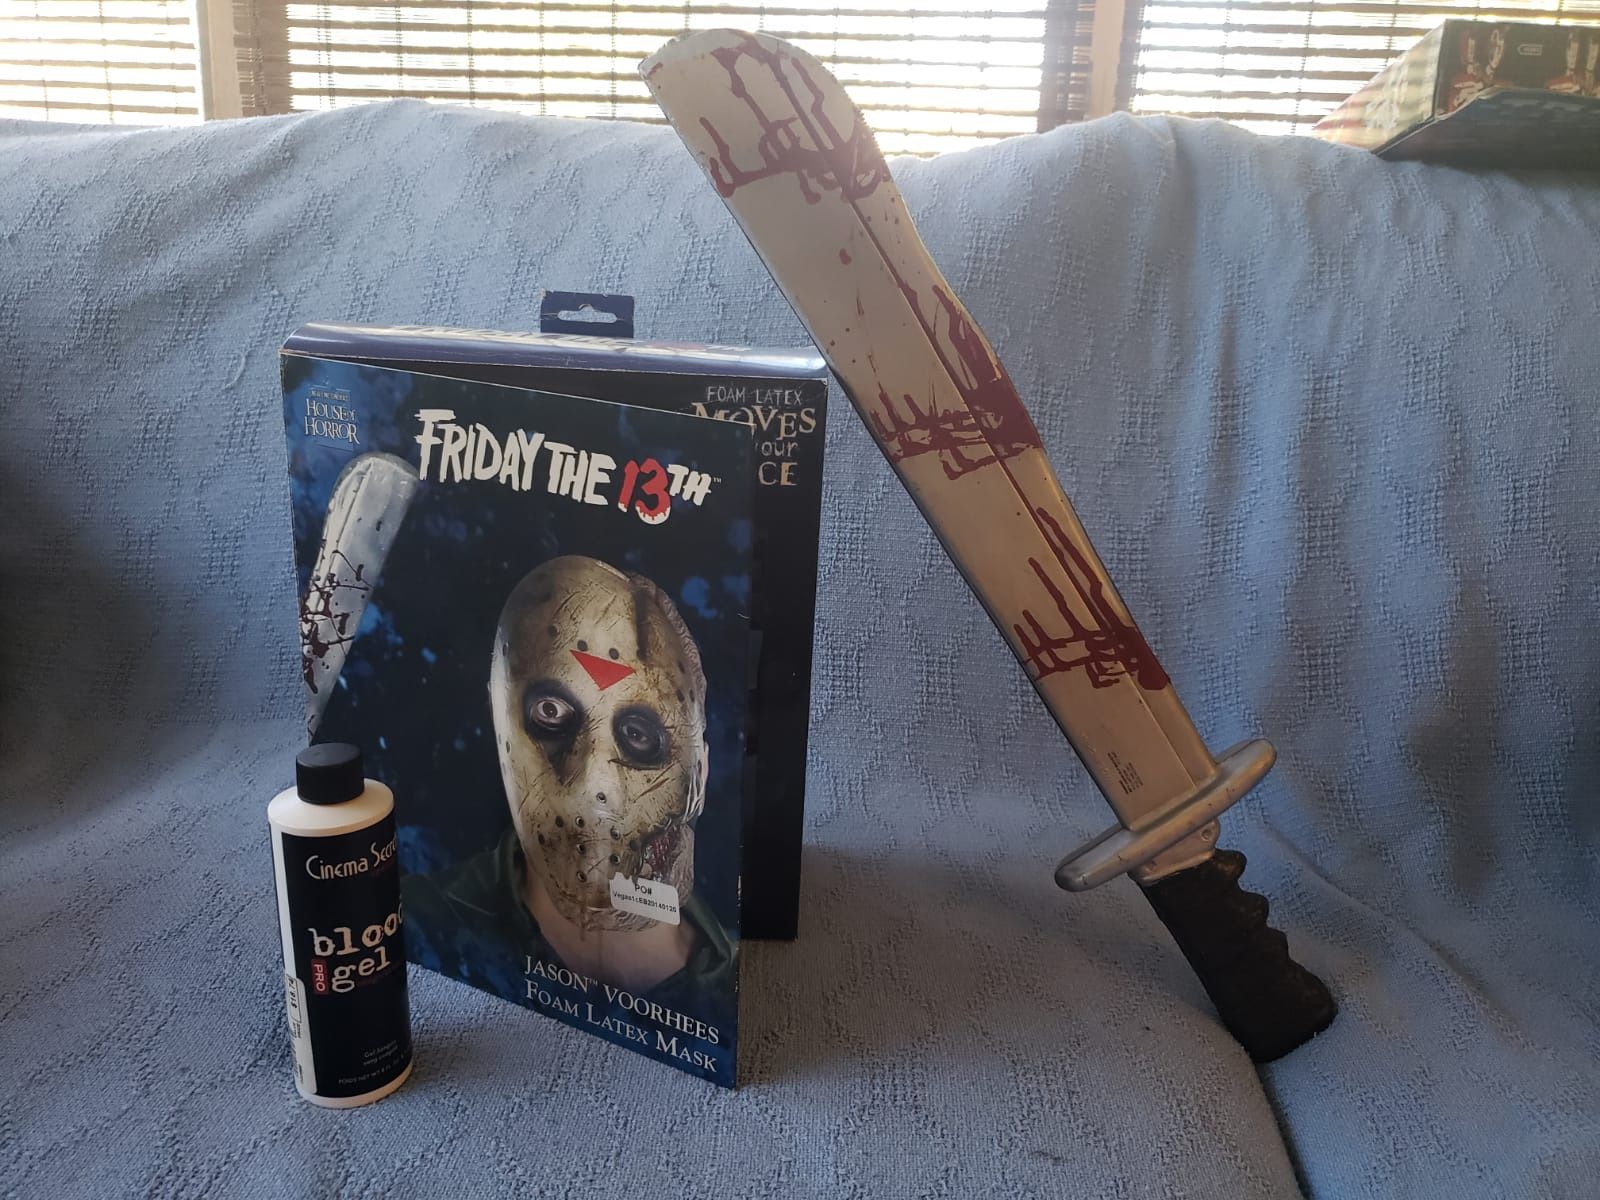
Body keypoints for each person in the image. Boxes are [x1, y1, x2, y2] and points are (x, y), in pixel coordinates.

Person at [403, 555, 734, 1008]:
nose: (593, 783)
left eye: (639, 736)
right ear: (500, 721)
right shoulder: (419, 926)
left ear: (699, 774)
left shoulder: (736, 991)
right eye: (551, 712)